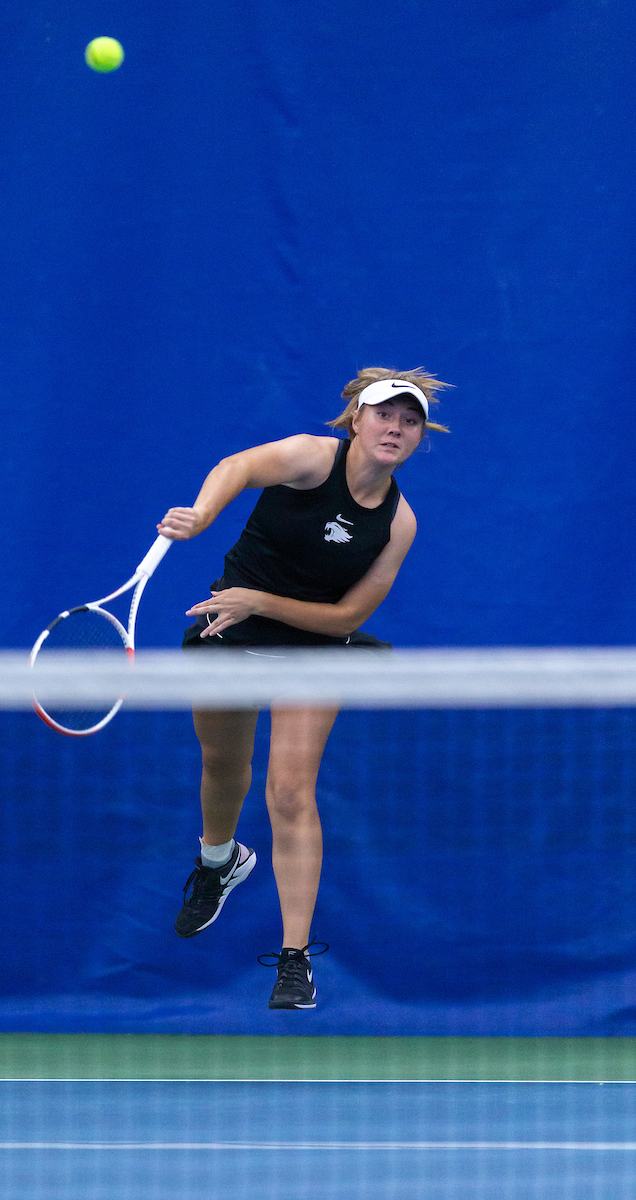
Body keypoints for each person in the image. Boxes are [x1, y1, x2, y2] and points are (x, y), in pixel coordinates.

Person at [157, 367, 450, 1009]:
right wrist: (204, 514)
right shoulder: (310, 457)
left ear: (420, 436)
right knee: (223, 763)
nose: (395, 428)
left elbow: (345, 618)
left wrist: (262, 599)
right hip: (227, 626)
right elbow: (237, 466)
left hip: (313, 646)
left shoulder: (399, 524)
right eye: (384, 416)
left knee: (290, 791)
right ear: (356, 420)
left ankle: (294, 960)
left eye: (409, 422)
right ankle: (218, 863)